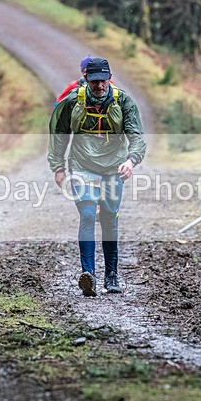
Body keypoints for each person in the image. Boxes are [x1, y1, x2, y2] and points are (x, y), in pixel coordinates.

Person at [48, 57, 146, 297]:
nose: (99, 86)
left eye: (103, 80)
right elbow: (59, 134)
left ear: (110, 78)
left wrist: (131, 160)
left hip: (113, 168)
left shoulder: (123, 101)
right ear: (86, 79)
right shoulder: (73, 101)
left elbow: (136, 136)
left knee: (109, 219)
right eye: (94, 81)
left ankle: (111, 275)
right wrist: (58, 168)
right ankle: (88, 276)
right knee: (88, 215)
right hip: (82, 166)